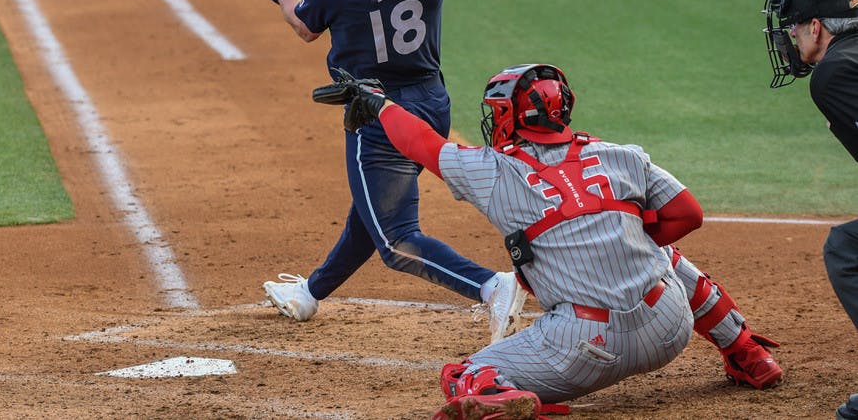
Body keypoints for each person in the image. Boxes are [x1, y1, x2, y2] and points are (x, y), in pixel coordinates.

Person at [328, 63, 783, 419]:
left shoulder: (493, 172)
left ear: (509, 116)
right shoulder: (621, 156)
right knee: (660, 251)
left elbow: (422, 143)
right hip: (669, 325)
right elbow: (690, 214)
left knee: (466, 377)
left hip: (586, 348)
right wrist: (633, 240)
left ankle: (507, 402)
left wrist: (379, 104)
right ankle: (748, 354)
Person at [260, 0, 525, 342]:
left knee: (396, 238)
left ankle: (491, 286)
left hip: (378, 115)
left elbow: (304, 25)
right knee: (373, 210)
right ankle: (311, 293)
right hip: (431, 104)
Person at [763, 0, 858, 420]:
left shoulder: (834, 73)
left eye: (795, 28)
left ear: (817, 28)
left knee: (848, 248)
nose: (792, 39)